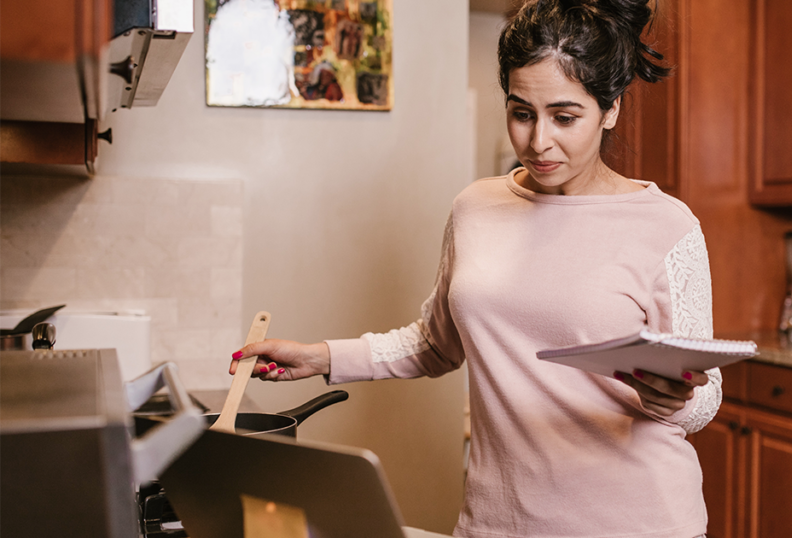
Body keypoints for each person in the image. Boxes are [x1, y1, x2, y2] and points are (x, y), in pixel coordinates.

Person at [231, 0, 721, 536]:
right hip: (497, 521)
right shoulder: (476, 208)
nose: (538, 142)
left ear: (611, 110)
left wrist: (677, 398)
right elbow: (436, 343)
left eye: (565, 117)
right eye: (521, 112)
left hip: (636, 523)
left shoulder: (666, 225)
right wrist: (322, 356)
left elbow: (705, 395)